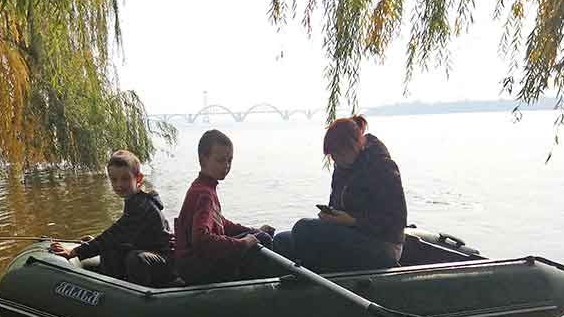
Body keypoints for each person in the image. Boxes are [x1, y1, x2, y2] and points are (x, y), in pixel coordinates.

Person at [273, 115, 407, 272]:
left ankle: (316, 281)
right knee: (281, 240)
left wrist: (353, 221)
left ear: (355, 145)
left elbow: (396, 223)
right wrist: (330, 216)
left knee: (303, 228)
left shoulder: (383, 167)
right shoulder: (342, 168)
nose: (337, 160)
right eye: (333, 156)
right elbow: (336, 205)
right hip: (349, 234)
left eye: (340, 154)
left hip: (382, 244)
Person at [49, 150, 174, 287]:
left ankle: (136, 296)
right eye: (114, 179)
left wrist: (75, 252)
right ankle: (106, 289)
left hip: (164, 261)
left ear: (138, 179)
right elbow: (125, 235)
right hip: (146, 249)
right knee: (110, 248)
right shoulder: (133, 199)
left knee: (136, 258)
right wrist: (96, 244)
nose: (119, 185)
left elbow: (117, 233)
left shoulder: (143, 205)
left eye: (125, 179)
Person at [174, 129, 277, 284]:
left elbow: (222, 224)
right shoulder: (204, 194)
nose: (227, 166)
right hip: (196, 267)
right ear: (203, 159)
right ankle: (258, 290)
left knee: (259, 236)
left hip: (189, 264)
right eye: (220, 160)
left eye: (230, 160)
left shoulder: (201, 186)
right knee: (263, 240)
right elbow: (201, 240)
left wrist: (252, 231)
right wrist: (244, 243)